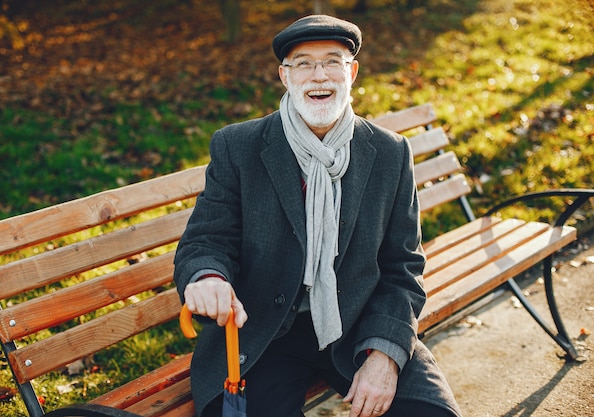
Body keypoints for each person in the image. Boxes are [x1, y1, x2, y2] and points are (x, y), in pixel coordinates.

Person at [173, 14, 462, 417]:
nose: (319, 76)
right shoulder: (238, 146)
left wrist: (385, 355)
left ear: (352, 72)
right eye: (303, 63)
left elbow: (403, 267)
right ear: (284, 76)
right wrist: (207, 278)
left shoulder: (391, 153)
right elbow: (206, 241)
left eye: (332, 61)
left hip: (360, 322)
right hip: (264, 333)